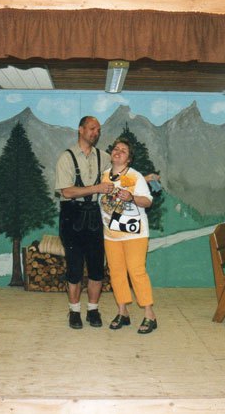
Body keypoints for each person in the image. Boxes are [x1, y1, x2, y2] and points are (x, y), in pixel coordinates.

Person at [55, 116, 114, 329]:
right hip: (72, 216)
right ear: (80, 130)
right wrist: (96, 188)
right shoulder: (66, 158)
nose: (95, 133)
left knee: (97, 268)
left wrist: (143, 180)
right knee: (75, 268)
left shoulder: (104, 157)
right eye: (91, 128)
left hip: (95, 216)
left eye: (98, 130)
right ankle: (74, 312)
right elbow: (66, 191)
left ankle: (93, 310)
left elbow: (121, 175)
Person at [99, 138, 157, 334]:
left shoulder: (135, 176)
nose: (118, 152)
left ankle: (149, 314)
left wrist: (132, 197)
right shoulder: (104, 175)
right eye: (116, 148)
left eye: (123, 150)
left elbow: (148, 201)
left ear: (129, 159)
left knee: (136, 271)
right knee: (116, 272)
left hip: (134, 234)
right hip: (111, 235)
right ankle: (122, 312)